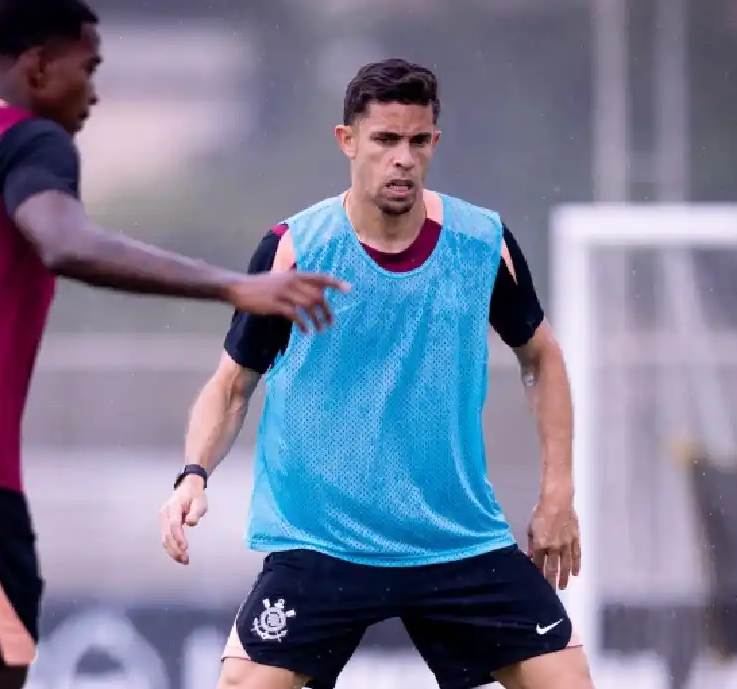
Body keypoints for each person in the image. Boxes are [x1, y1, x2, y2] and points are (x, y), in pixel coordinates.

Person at [0, 2, 347, 689]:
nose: (95, 91)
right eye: (89, 67)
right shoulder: (30, 141)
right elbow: (63, 242)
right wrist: (231, 286)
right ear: (39, 65)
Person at [159, 58, 592, 689]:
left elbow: (542, 359)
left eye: (418, 142)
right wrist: (193, 473)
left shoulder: (482, 243)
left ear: (434, 144)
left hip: (455, 538)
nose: (403, 159)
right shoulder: (293, 251)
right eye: (386, 140)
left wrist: (558, 494)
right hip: (322, 540)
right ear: (348, 141)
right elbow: (232, 385)